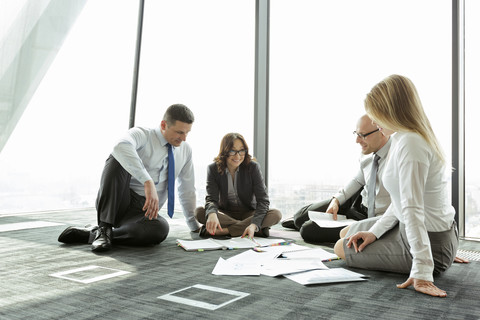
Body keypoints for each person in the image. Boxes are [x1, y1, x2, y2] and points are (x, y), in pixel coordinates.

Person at [334, 74, 459, 298]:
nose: (374, 120)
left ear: (391, 111)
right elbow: (402, 201)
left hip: (430, 243)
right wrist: (374, 233)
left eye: (376, 114)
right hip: (420, 231)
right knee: (346, 233)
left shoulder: (411, 143)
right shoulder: (404, 138)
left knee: (340, 248)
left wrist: (422, 271)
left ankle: (432, 260)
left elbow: (412, 209)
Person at [58, 104, 199, 252]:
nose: (183, 138)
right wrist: (147, 180)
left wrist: (194, 226)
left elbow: (187, 189)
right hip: (118, 200)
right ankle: (105, 226)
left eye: (187, 133)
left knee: (160, 228)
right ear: (163, 125)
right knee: (118, 157)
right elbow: (120, 146)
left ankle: (95, 234)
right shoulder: (142, 134)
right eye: (179, 132)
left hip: (144, 211)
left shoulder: (186, 150)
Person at [281, 114, 391, 243]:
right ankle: (302, 221)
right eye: (356, 133)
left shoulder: (397, 157)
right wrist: (337, 200)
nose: (357, 140)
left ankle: (313, 224)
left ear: (382, 130)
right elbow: (358, 180)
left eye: (363, 135)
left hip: (373, 217)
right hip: (358, 202)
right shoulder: (368, 151)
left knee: (307, 230)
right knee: (299, 217)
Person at [195, 133, 282, 238]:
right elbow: (211, 199)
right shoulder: (213, 169)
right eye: (232, 151)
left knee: (276, 214)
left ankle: (225, 231)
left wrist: (253, 223)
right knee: (199, 212)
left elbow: (263, 201)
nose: (238, 156)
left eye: (241, 150)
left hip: (249, 212)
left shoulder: (253, 167)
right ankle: (252, 228)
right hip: (226, 213)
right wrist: (212, 214)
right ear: (224, 151)